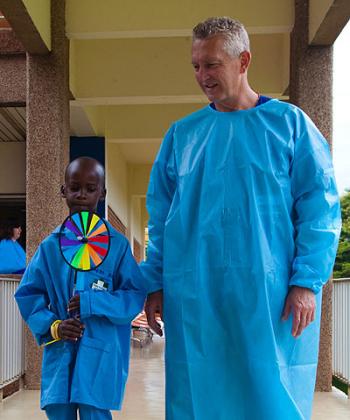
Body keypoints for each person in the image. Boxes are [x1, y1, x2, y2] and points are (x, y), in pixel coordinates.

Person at [141, 17, 341, 420]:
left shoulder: (290, 126)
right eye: (196, 65)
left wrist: (305, 282)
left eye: (212, 64)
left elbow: (319, 209)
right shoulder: (183, 136)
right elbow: (160, 218)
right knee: (202, 392)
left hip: (270, 296)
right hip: (196, 294)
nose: (202, 76)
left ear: (244, 60)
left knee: (270, 393)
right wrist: (155, 282)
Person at [15, 157, 146, 420]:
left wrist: (93, 303)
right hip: (60, 351)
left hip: (100, 353)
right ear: (63, 190)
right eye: (75, 187)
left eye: (90, 188)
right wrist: (54, 326)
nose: (82, 195)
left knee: (94, 411)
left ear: (102, 193)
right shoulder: (51, 247)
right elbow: (28, 294)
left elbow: (133, 296)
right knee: (58, 410)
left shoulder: (117, 247)